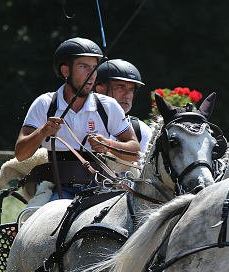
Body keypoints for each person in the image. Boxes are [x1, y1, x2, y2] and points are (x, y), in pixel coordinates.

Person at [15, 37, 140, 200]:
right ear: (65, 71)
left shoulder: (108, 106)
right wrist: (42, 132)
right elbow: (21, 154)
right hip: (56, 189)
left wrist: (109, 145)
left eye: (94, 68)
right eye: (83, 67)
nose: (91, 74)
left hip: (100, 187)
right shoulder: (44, 103)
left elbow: (135, 152)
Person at [94, 59, 153, 159]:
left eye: (131, 90)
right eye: (120, 87)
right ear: (100, 90)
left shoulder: (141, 130)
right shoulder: (83, 119)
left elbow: (146, 171)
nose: (127, 95)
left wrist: (109, 145)